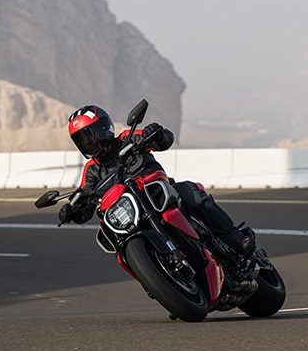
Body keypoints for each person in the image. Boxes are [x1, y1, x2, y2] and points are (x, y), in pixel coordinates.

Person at [58, 105, 255, 256]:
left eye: (90, 136)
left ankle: (235, 238)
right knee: (117, 241)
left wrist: (156, 134)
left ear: (104, 128)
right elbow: (85, 201)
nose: (89, 143)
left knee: (190, 193)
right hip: (130, 214)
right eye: (82, 140)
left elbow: (164, 141)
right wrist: (73, 211)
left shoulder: (126, 139)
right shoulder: (91, 170)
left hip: (160, 193)